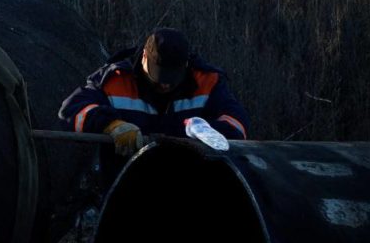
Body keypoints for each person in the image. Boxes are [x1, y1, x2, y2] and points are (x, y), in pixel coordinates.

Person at [58, 28, 249, 158]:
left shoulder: (207, 81)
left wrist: (203, 132)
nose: (165, 84)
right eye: (159, 74)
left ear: (186, 65)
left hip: (191, 186)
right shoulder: (115, 79)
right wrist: (112, 125)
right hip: (127, 188)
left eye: (172, 77)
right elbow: (71, 111)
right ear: (143, 58)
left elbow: (238, 125)